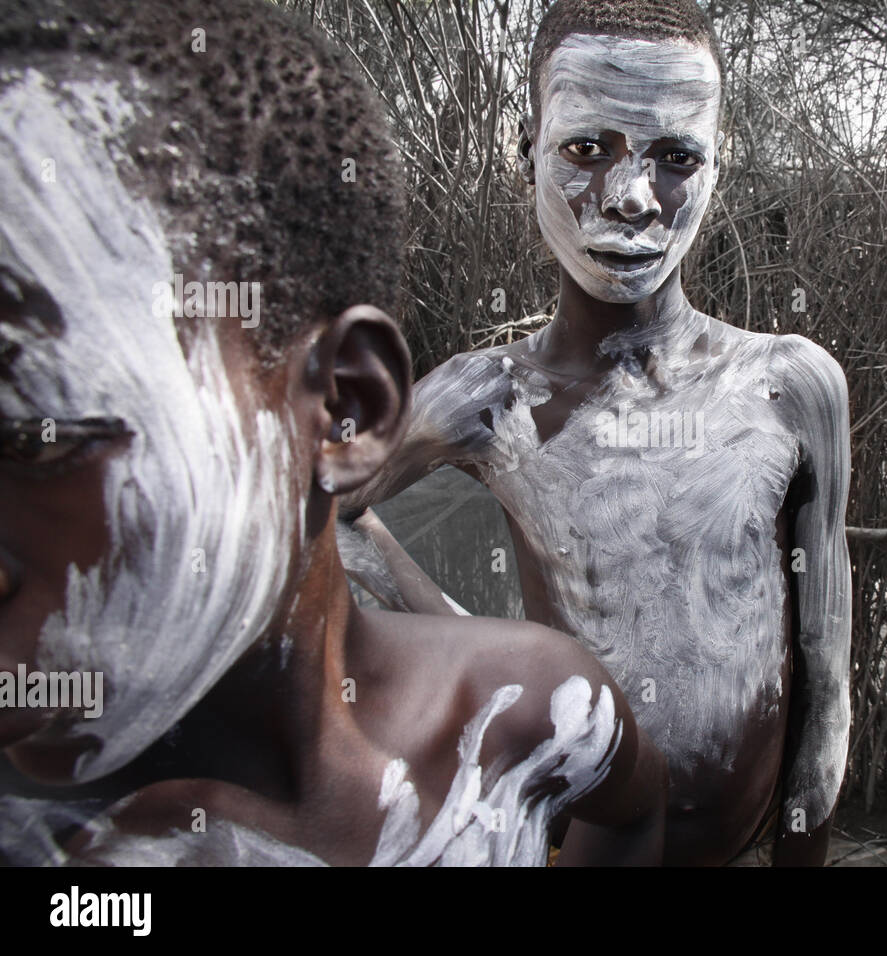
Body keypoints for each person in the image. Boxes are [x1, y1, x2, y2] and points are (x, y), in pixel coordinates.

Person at [0, 0, 665, 867]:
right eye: (585, 148)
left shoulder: (532, 712)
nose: (631, 197)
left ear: (345, 408)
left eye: (35, 444)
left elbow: (634, 809)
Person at [342, 0, 852, 866]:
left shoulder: (789, 384)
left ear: (717, 166)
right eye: (587, 149)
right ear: (525, 149)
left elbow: (826, 674)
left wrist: (803, 854)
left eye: (676, 157)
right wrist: (492, 657)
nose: (630, 198)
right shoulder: (486, 398)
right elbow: (317, 509)